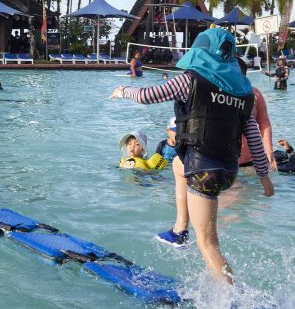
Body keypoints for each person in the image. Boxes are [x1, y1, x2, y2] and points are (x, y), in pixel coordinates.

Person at [110, 26, 274, 284]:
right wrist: (264, 176)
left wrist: (123, 91)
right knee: (177, 164)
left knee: (208, 243)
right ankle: (179, 230)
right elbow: (252, 134)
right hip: (228, 171)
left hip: (203, 171)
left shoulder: (190, 80)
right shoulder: (243, 93)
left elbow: (146, 96)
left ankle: (233, 299)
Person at [236, 58, 276, 171]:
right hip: (222, 159)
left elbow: (264, 122)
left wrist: (268, 150)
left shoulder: (254, 93)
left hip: (249, 159)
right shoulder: (216, 93)